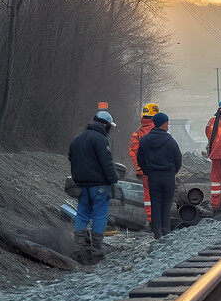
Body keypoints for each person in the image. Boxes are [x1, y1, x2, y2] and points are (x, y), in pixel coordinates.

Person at [68, 110, 118, 260]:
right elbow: (106, 162)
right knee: (99, 214)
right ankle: (96, 247)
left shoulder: (77, 138)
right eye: (110, 126)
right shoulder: (101, 139)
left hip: (81, 185)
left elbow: (71, 158)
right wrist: (113, 179)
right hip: (100, 185)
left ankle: (79, 245)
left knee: (82, 213)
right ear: (105, 125)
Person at [136, 112, 182, 239]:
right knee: (167, 204)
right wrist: (173, 171)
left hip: (153, 177)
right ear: (164, 123)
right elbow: (178, 159)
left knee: (155, 204)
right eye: (167, 122)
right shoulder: (170, 140)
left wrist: (147, 171)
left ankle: (157, 233)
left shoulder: (145, 140)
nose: (168, 124)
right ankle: (166, 231)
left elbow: (140, 158)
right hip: (168, 177)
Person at [129, 102, 159, 226]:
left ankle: (151, 221)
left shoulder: (137, 134)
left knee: (148, 196)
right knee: (159, 194)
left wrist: (139, 168)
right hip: (159, 170)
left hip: (145, 172)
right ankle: (160, 221)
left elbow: (132, 152)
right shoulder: (159, 131)